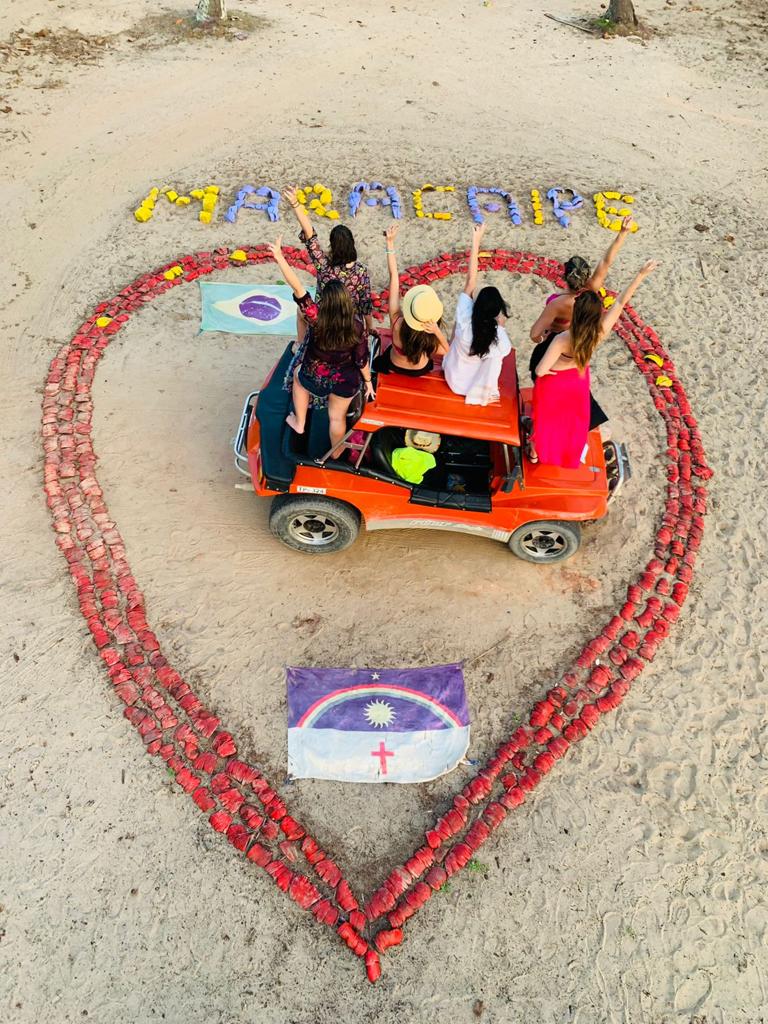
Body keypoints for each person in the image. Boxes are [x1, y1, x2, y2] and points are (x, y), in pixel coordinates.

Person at [530, 259, 658, 469]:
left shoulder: (562, 338)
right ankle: (563, 455)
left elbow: (540, 370)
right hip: (578, 382)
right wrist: (641, 275)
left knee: (547, 421)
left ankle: (535, 453)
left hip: (556, 383)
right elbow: (620, 303)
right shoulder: (599, 333)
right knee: (569, 422)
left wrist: (545, 342)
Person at [528, 214, 636, 430]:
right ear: (586, 277)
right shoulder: (591, 290)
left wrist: (543, 335)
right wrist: (622, 234)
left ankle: (548, 422)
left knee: (544, 380)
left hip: (556, 343)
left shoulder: (558, 304)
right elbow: (606, 261)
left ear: (564, 277)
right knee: (577, 386)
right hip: (580, 340)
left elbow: (534, 335)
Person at [268, 236, 374, 454]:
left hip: (315, 376)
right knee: (336, 417)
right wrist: (368, 382)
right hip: (345, 381)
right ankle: (336, 452)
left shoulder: (315, 317)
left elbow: (297, 286)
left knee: (298, 376)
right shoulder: (356, 325)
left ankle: (299, 422)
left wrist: (279, 257)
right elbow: (361, 359)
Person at [283, 187, 373, 338]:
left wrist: (295, 204)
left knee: (300, 312)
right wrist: (369, 327)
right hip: (349, 324)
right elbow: (365, 305)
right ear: (352, 243)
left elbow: (310, 234)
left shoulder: (323, 266)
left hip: (324, 321)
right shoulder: (361, 272)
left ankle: (300, 343)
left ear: (332, 245)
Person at [442, 222, 512, 405]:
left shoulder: (465, 318)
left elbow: (471, 281)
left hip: (452, 375)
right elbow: (502, 352)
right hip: (471, 385)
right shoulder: (499, 338)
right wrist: (501, 327)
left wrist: (476, 241)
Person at [372, 223, 449, 377]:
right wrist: (437, 332)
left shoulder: (397, 322)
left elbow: (394, 277)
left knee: (378, 362)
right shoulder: (430, 338)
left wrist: (390, 243)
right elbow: (447, 351)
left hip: (395, 365)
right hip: (420, 369)